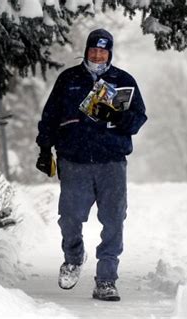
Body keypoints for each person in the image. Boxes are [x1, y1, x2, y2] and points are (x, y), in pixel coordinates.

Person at [35, 28, 147, 301]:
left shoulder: (123, 80)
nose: (98, 55)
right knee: (69, 218)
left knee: (114, 222)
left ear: (110, 52)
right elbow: (50, 115)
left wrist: (118, 117)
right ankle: (73, 258)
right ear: (86, 50)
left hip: (112, 163)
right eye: (93, 50)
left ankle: (106, 279)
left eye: (103, 50)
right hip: (74, 161)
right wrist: (43, 147)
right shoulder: (69, 79)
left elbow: (139, 119)